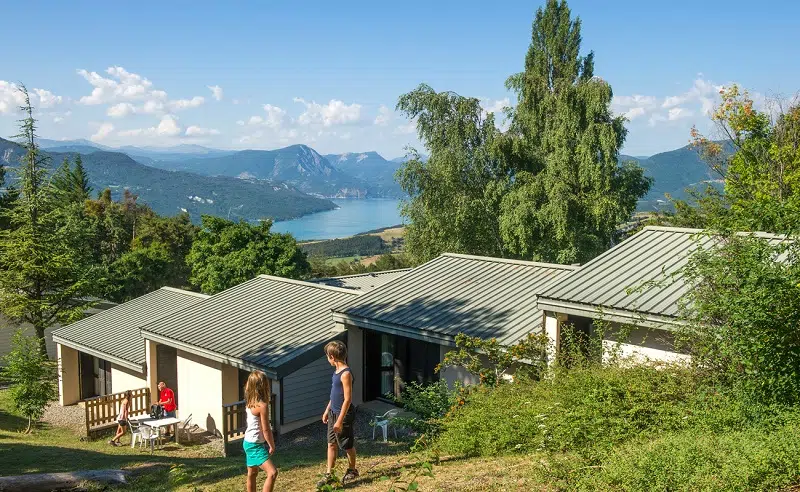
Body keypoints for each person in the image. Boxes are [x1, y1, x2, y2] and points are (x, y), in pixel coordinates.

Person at [317, 340, 358, 489]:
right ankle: (329, 474)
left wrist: (340, 420)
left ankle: (352, 469)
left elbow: (348, 399)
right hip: (333, 413)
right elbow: (334, 394)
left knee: (347, 445)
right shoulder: (336, 371)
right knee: (331, 444)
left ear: (332, 357)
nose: (327, 359)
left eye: (328, 356)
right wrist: (327, 410)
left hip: (343, 415)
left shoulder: (346, 373)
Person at [243, 370, 278, 492]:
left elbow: (247, 386)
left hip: (248, 442)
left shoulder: (250, 400)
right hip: (255, 445)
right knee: (272, 472)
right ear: (263, 386)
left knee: (252, 473)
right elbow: (266, 429)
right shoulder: (262, 406)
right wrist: (271, 445)